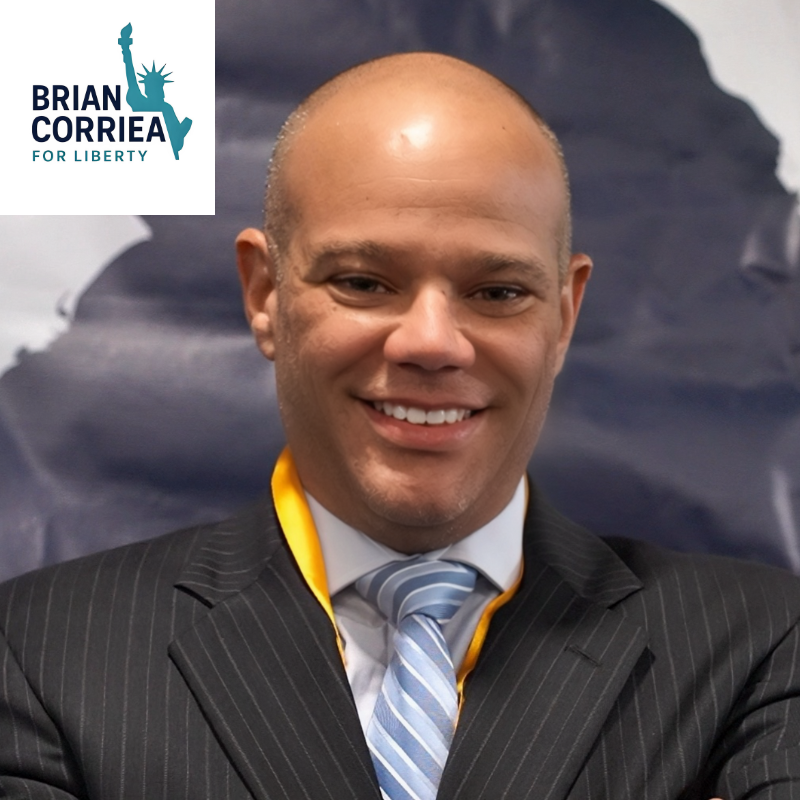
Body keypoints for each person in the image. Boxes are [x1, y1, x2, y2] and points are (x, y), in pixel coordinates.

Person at [1, 52, 799, 800]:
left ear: (564, 314)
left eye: (498, 292)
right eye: (363, 281)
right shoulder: (40, 652)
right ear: (264, 294)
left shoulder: (762, 649)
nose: (431, 342)